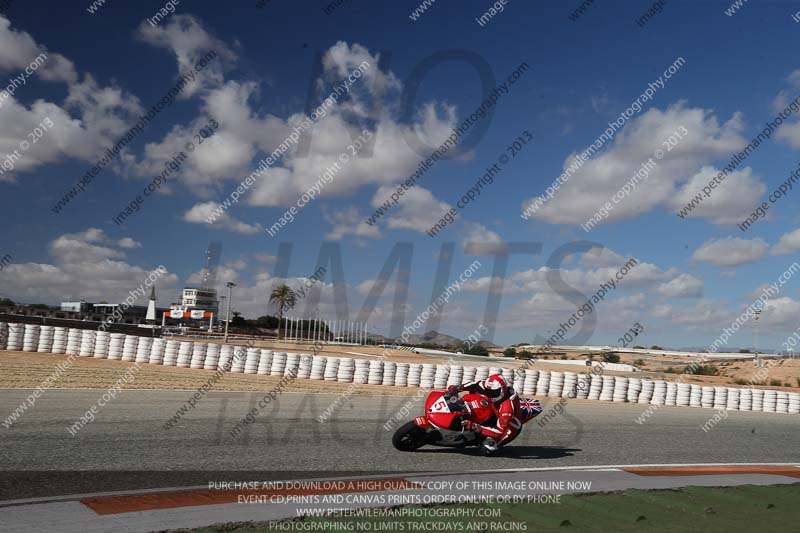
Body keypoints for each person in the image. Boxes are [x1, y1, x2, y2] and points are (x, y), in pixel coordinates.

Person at [446, 373, 542, 454]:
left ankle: (476, 439)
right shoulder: (493, 388)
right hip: (495, 409)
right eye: (488, 392)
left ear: (502, 390)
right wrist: (458, 388)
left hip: (507, 428)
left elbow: (498, 433)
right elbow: (476, 384)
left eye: (493, 393)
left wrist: (475, 427)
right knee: (474, 398)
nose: (490, 395)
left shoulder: (507, 408)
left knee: (487, 448)